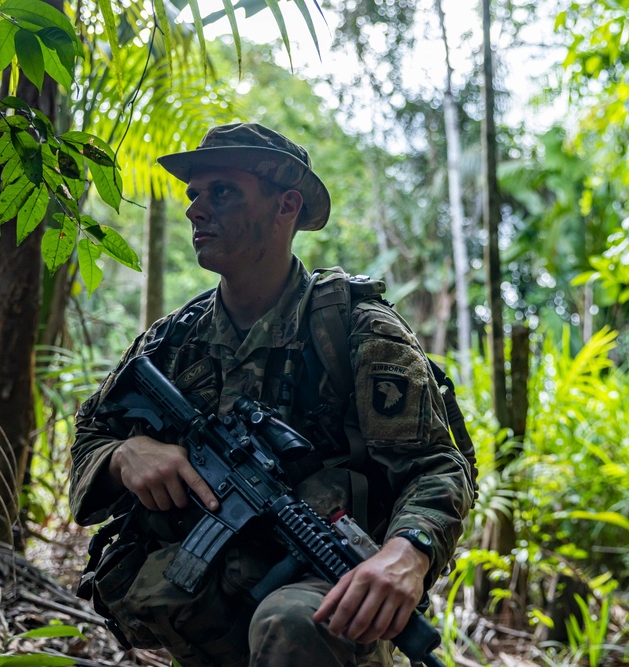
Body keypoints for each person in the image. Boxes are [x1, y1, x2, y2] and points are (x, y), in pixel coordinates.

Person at [69, 122, 474, 667]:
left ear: (287, 206)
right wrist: (124, 456)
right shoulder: (173, 341)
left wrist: (407, 553)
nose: (196, 210)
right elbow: (92, 432)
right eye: (195, 195)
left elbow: (437, 466)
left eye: (223, 192)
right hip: (210, 616)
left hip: (321, 600)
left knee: (290, 625)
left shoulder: (357, 330)